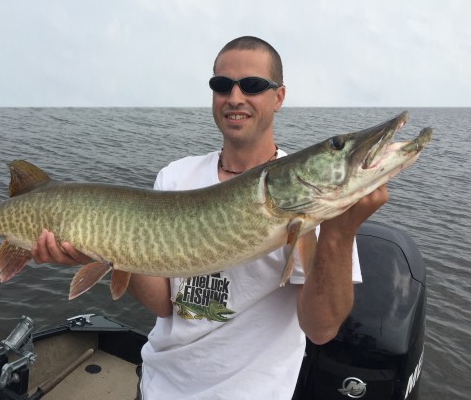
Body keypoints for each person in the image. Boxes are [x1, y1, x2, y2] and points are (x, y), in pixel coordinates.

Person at [30, 36, 388, 399]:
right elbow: (162, 305)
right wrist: (103, 246)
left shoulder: (315, 202)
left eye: (252, 85)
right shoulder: (175, 177)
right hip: (158, 387)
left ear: (278, 97)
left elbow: (321, 329)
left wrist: (339, 235)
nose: (235, 97)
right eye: (221, 85)